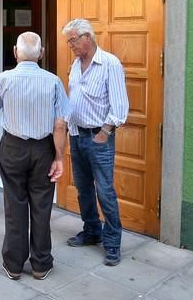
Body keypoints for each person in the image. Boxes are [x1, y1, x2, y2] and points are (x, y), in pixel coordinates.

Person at [0, 32, 68, 281]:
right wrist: (59, 157)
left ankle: (14, 265)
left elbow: (0, 108)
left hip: (13, 147)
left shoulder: (4, 79)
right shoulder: (54, 81)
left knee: (14, 204)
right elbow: (60, 125)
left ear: (15, 53)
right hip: (43, 148)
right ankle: (41, 264)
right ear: (43, 52)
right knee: (42, 205)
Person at [61, 18, 129, 266]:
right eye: (69, 41)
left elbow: (120, 105)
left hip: (99, 138)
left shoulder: (109, 63)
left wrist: (105, 132)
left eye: (72, 40)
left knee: (105, 191)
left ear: (87, 37)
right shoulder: (76, 64)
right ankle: (92, 231)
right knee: (83, 189)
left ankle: (112, 243)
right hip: (77, 135)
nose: (70, 45)